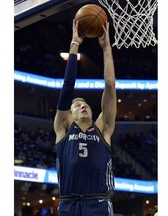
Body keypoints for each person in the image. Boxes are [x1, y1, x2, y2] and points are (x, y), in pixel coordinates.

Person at [53, 19, 117, 216]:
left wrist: (106, 48)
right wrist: (74, 44)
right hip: (68, 205)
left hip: (97, 203)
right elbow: (68, 86)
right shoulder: (63, 128)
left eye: (86, 105)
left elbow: (109, 86)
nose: (83, 106)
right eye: (77, 105)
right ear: (69, 115)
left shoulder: (103, 128)